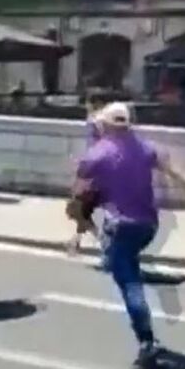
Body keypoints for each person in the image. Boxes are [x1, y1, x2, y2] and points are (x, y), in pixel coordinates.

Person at [76, 102, 185, 369]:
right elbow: (175, 172)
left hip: (122, 227)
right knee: (123, 262)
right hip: (148, 227)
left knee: (128, 282)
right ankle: (128, 268)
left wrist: (93, 140)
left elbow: (80, 186)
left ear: (106, 126)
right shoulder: (145, 148)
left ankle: (147, 343)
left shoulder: (98, 154)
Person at [66, 91, 111, 254]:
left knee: (78, 206)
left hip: (94, 169)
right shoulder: (102, 120)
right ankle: (78, 240)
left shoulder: (97, 120)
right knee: (83, 207)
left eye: (87, 103)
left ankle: (99, 239)